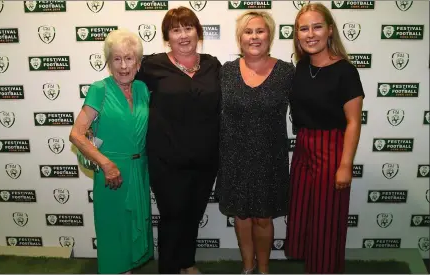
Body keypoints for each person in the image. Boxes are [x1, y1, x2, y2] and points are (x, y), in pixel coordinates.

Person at [135, 6, 222, 274]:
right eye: (175, 30)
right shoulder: (152, 65)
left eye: (188, 28)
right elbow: (124, 86)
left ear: (198, 32)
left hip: (206, 157)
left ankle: (187, 261)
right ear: (167, 37)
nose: (183, 35)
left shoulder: (212, 65)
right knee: (173, 215)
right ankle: (170, 268)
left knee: (193, 214)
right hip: (167, 158)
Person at [284, 3, 365, 274]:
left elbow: (353, 122)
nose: (310, 34)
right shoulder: (301, 68)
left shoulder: (345, 71)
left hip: (332, 148)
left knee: (327, 221)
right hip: (304, 148)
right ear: (296, 35)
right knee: (305, 216)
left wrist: (345, 165)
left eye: (317, 26)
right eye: (303, 28)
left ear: (330, 30)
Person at [215, 11, 294, 274]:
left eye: (260, 31)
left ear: (269, 35)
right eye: (248, 32)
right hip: (234, 157)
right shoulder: (225, 72)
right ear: (240, 38)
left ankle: (264, 269)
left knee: (263, 218)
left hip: (269, 160)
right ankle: (247, 268)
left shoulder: (286, 72)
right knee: (241, 217)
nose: (254, 37)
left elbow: (308, 107)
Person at [69, 28, 153, 274]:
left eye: (129, 59)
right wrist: (106, 164)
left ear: (138, 63)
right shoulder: (100, 89)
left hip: (139, 171)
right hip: (111, 175)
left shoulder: (142, 90)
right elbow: (77, 134)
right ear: (108, 62)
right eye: (117, 58)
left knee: (133, 230)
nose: (123, 65)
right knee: (113, 230)